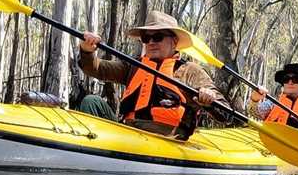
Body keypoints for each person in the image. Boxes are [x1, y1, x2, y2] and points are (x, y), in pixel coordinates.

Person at [76, 11, 230, 140]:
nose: (151, 42)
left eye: (158, 37)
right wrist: (87, 50)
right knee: (92, 102)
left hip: (166, 140)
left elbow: (224, 112)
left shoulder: (190, 71)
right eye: (146, 38)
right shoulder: (134, 65)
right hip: (128, 133)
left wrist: (210, 99)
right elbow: (96, 68)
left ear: (174, 42)